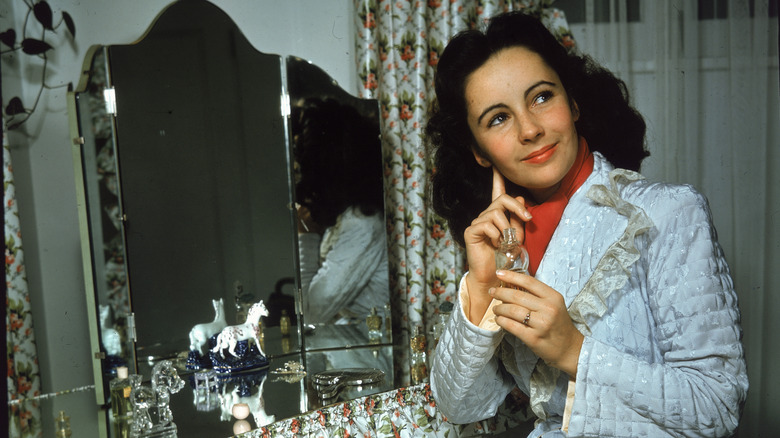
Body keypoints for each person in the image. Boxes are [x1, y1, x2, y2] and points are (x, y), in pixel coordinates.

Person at [426, 11, 747, 437]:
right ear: (478, 151)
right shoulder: (502, 243)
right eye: (498, 118)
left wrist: (574, 349)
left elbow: (718, 406)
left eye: (541, 97)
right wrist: (482, 286)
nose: (530, 129)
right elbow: (460, 405)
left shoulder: (669, 213)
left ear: (573, 103)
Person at [292, 98, 389, 325]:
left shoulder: (362, 223)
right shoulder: (349, 216)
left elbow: (311, 313)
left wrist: (305, 236)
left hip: (368, 353)